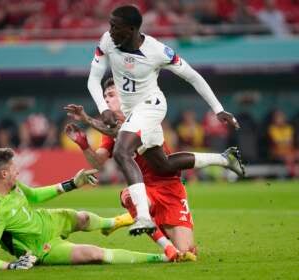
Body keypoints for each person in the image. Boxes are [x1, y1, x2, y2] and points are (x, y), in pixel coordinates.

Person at [87, 5, 240, 235]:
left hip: (152, 106)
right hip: (131, 113)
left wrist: (218, 109)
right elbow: (93, 78)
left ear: (130, 29)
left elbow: (193, 76)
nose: (109, 31)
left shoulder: (158, 51)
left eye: (114, 27)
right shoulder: (108, 41)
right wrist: (102, 108)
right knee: (163, 165)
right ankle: (225, 159)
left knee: (121, 151)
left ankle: (144, 217)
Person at [64, 77, 243, 260]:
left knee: (188, 252)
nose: (106, 100)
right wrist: (84, 145)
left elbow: (121, 132)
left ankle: (127, 220)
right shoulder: (108, 130)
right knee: (129, 196)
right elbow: (98, 163)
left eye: (111, 95)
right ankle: (166, 248)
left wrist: (87, 119)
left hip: (170, 186)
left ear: (124, 95)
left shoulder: (143, 113)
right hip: (143, 188)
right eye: (104, 96)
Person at [0, 148, 176, 271]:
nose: (18, 171)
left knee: (82, 218)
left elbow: (34, 196)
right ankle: (162, 257)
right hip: (42, 248)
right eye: (14, 169)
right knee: (94, 254)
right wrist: (12, 266)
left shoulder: (12, 185)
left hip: (45, 220)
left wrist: (73, 183)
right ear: (4, 174)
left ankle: (111, 223)